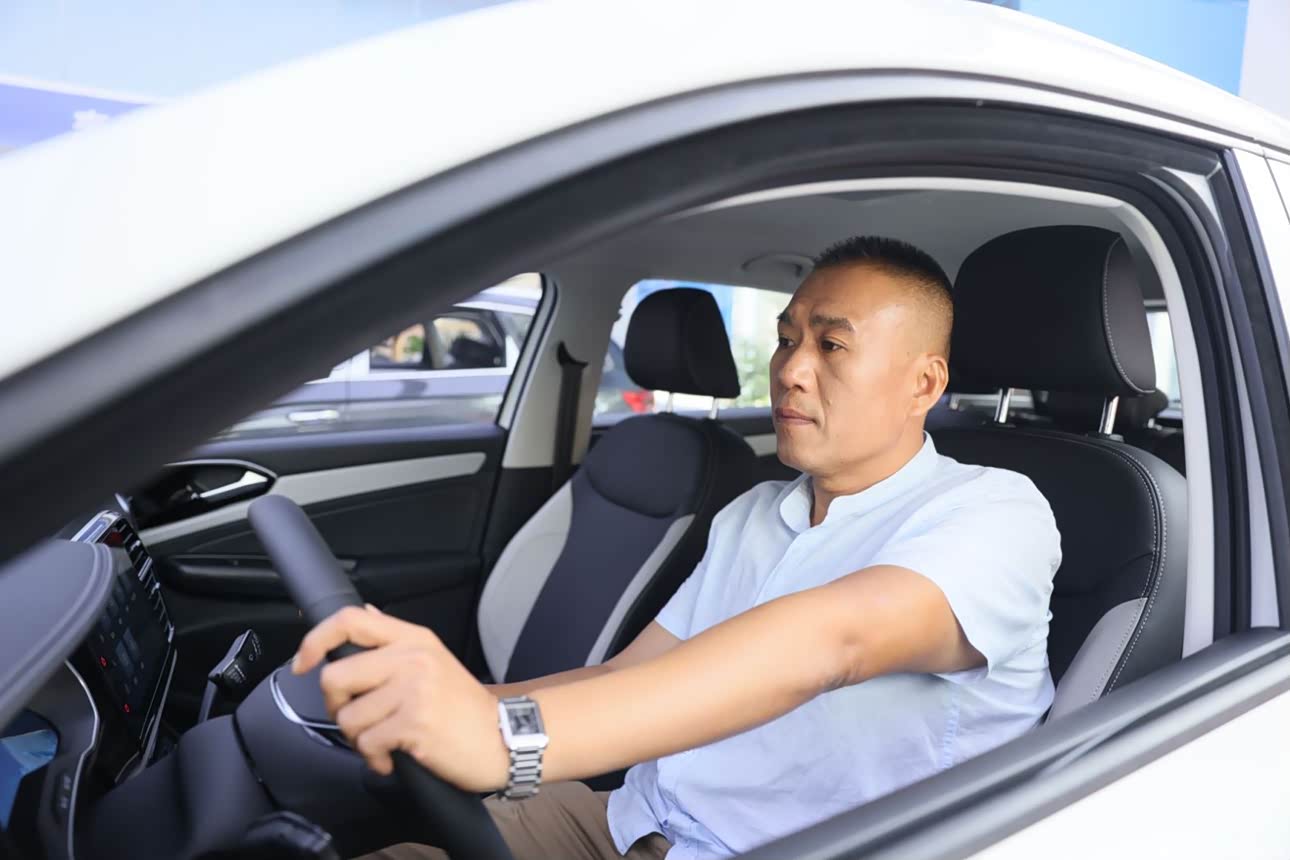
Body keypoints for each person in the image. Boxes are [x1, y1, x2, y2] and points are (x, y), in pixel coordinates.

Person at [294, 237, 1061, 860]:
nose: (790, 370)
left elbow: (833, 642)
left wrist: (506, 739)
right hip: (631, 822)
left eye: (832, 345)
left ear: (924, 384)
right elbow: (627, 674)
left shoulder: (995, 513)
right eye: (787, 339)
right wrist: (455, 705)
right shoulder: (755, 513)